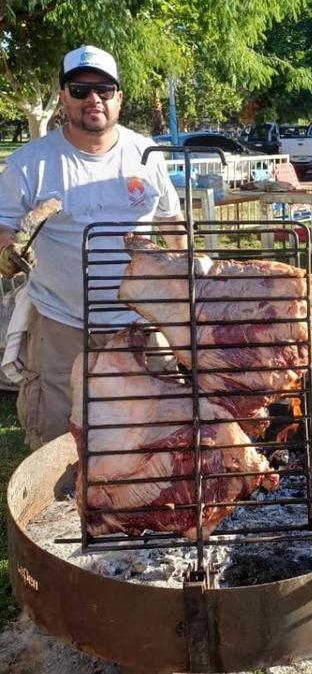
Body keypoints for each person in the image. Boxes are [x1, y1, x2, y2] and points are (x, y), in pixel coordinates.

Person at [0, 45, 184, 449]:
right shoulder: (31, 163)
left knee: (155, 436)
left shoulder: (145, 154)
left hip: (140, 320)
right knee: (59, 444)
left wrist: (186, 283)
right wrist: (8, 249)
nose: (93, 99)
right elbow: (4, 224)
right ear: (63, 95)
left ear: (119, 95)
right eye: (80, 89)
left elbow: (172, 221)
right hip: (62, 324)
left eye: (103, 88)